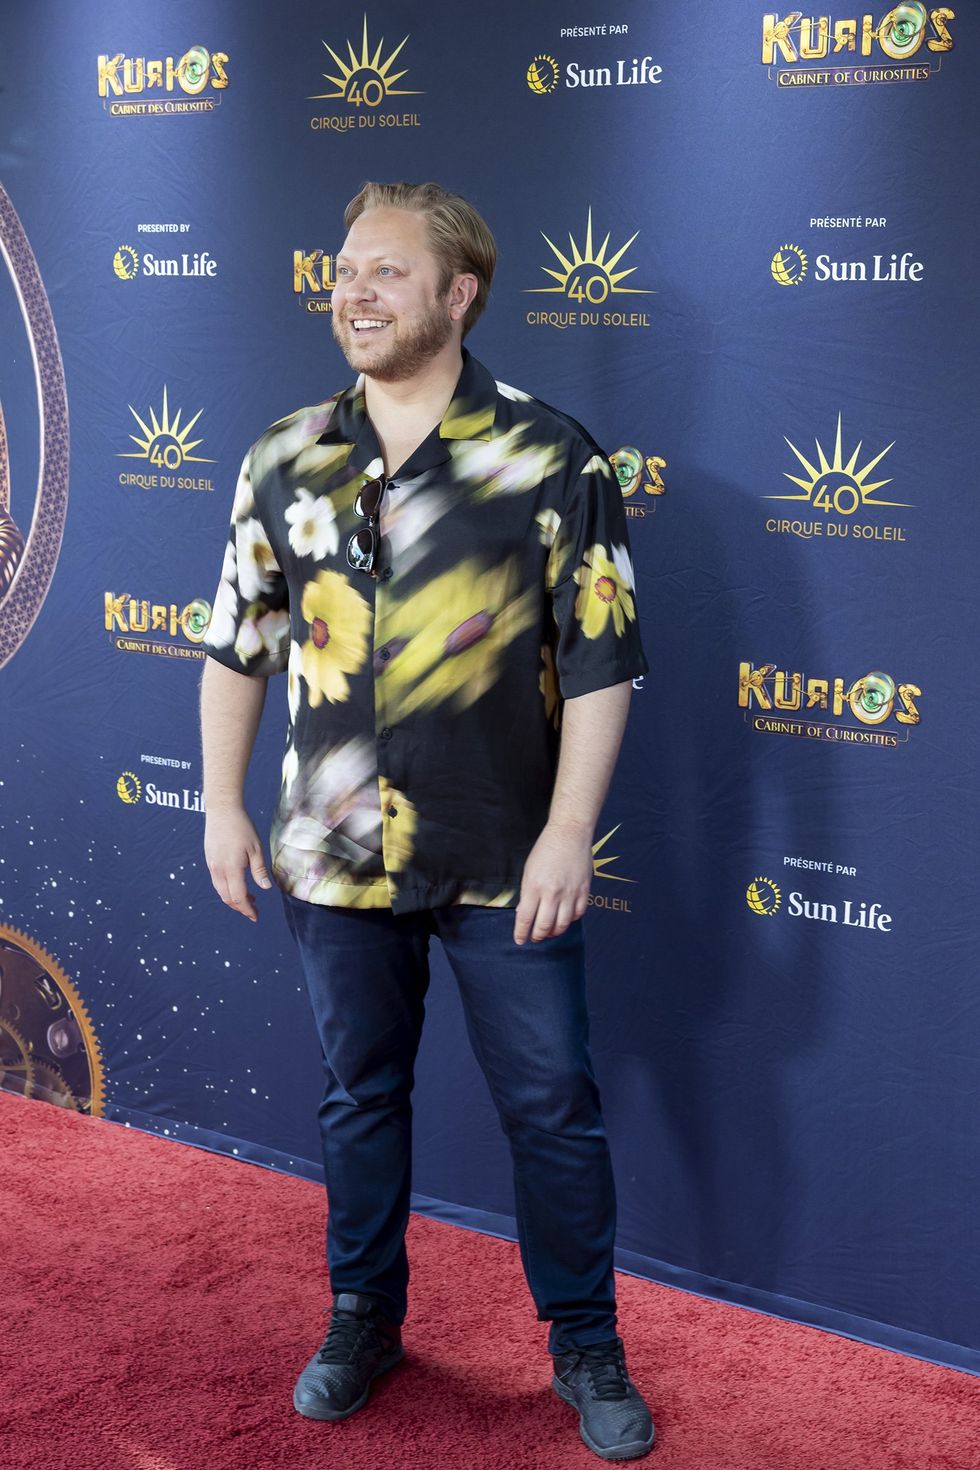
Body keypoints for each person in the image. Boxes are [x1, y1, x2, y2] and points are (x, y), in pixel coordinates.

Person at [199, 180, 655, 1461]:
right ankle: (362, 1321)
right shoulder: (284, 455)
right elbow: (237, 645)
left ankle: (584, 1345)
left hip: (506, 853)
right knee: (358, 1098)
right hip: (332, 851)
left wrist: (567, 832)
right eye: (346, 268)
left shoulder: (550, 456)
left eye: (386, 272)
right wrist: (220, 804)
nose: (352, 290)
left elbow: (603, 662)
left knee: (552, 1109)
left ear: (459, 294)